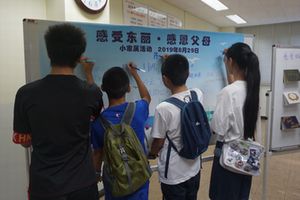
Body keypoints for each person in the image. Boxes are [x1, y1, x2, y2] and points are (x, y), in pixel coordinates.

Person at [12, 23, 103, 200]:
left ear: (49, 53)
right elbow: (95, 118)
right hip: (83, 184)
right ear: (79, 58)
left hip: (44, 186)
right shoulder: (91, 93)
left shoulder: (26, 94)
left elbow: (24, 142)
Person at [90, 64, 151, 200]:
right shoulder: (138, 110)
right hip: (140, 180)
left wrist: (96, 174)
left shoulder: (98, 124)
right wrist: (134, 74)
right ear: (129, 88)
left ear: (103, 89)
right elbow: (147, 97)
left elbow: (98, 154)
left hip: (115, 184)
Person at [209, 42, 261, 200]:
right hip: (247, 154)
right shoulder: (252, 89)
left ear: (230, 61)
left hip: (228, 157)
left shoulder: (228, 92)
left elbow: (218, 128)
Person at [149, 54, 203, 200]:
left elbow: (158, 143)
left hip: (173, 174)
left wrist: (151, 153)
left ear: (165, 80)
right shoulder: (197, 94)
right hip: (195, 167)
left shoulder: (163, 108)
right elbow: (179, 97)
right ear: (188, 74)